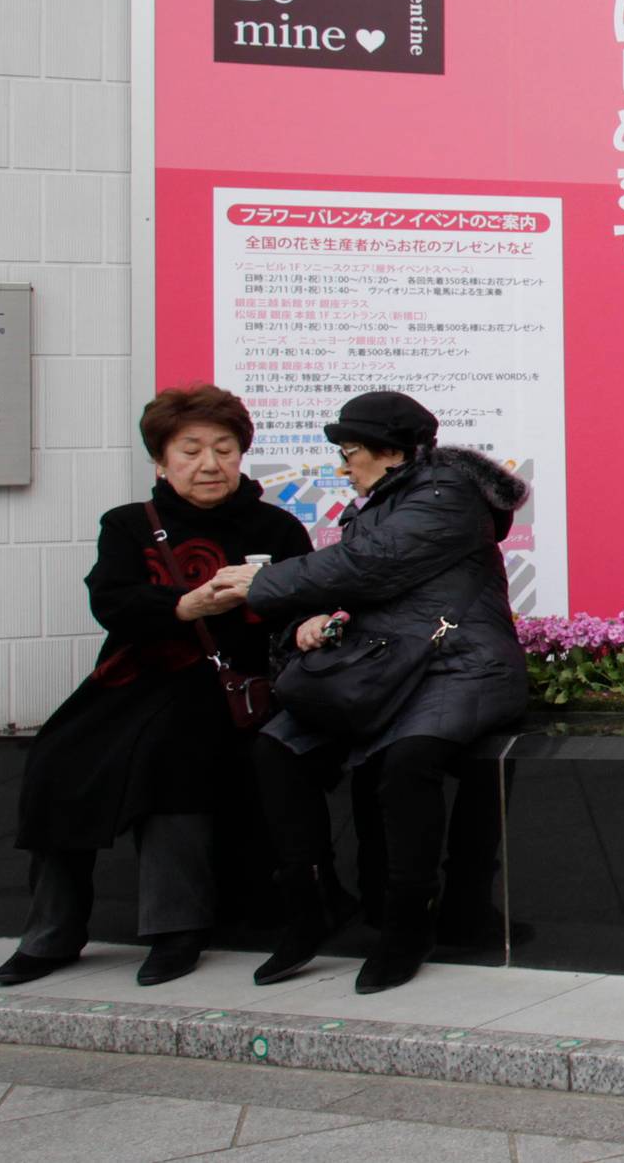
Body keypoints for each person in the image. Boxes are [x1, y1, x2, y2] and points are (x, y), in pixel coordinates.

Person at [0, 385, 313, 988]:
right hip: (134, 677)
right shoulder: (127, 525)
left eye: (223, 448)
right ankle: (52, 933)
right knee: (58, 762)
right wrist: (184, 604)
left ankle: (176, 932)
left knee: (173, 759)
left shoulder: (276, 527)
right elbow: (111, 600)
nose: (209, 463)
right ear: (160, 460)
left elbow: (303, 605)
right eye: (190, 449)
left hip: (233, 689)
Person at [217, 390, 529, 995]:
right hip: (388, 667)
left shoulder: (445, 495)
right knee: (277, 749)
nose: (344, 464)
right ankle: (312, 904)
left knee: (405, 762)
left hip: (462, 667)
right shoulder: (389, 499)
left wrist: (264, 581)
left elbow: (370, 566)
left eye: (351, 451)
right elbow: (372, 584)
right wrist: (320, 618)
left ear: (392, 452)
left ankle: (407, 924)